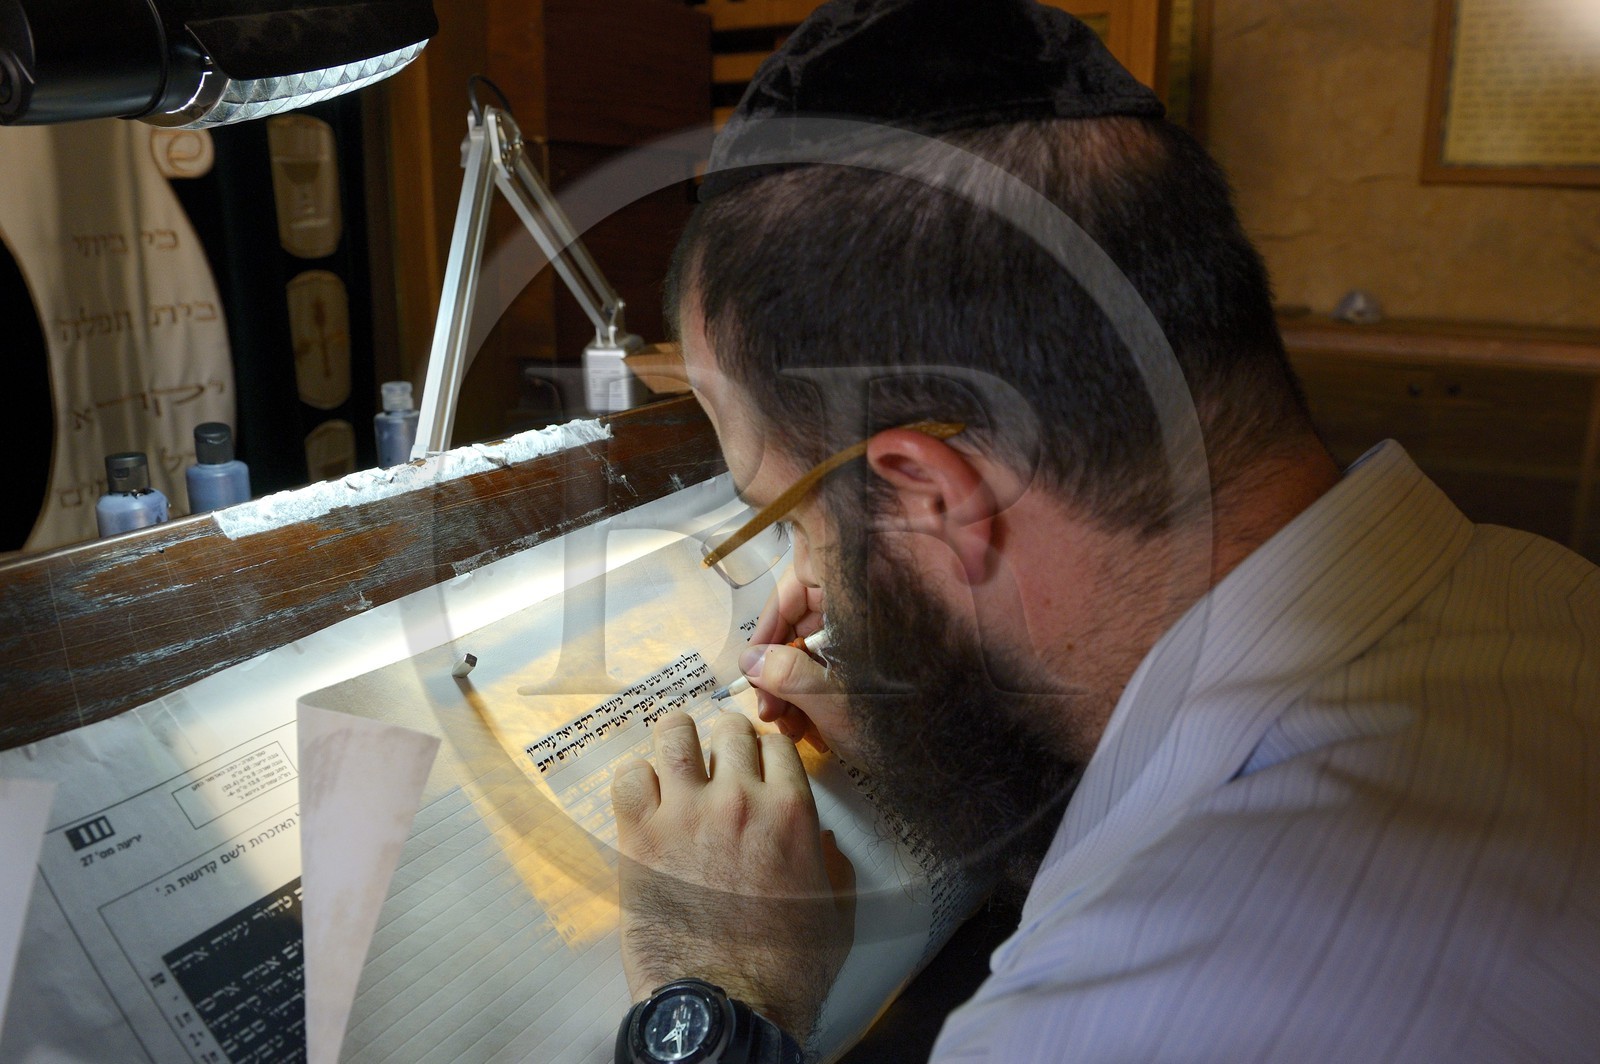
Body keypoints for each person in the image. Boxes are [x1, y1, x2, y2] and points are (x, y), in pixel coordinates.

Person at [606, 1, 1600, 1061]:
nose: (803, 585)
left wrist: (719, 989)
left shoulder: (1122, 1011)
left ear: (929, 493)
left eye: (792, 516)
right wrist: (961, 759)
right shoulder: (1543, 589)